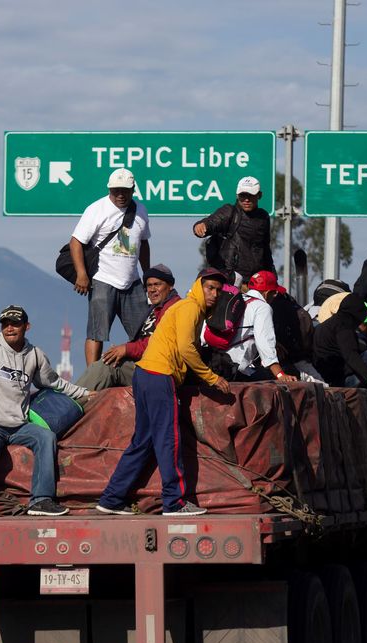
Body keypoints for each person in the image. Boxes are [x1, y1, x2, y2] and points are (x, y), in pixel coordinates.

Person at [97, 269, 232, 517]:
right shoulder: (190, 308)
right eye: (209, 288)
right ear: (198, 286)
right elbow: (186, 348)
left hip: (144, 374)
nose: (214, 293)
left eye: (218, 290)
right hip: (159, 376)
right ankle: (174, 502)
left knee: (143, 441)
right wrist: (212, 378)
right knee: (169, 439)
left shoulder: (187, 309)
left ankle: (111, 498)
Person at [0, 305, 91, 517]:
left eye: (15, 323)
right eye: (5, 324)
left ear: (26, 326)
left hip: (18, 425)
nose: (9, 328)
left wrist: (85, 393)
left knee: (46, 437)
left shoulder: (35, 355)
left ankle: (40, 501)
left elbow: (53, 382)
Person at [70, 168, 151, 366]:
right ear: (109, 189)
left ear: (133, 190)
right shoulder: (97, 209)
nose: (120, 195)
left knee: (144, 332)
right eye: (116, 191)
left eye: (125, 190)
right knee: (97, 332)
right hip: (103, 279)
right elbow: (76, 242)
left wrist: (147, 275)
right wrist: (81, 274)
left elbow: (144, 243)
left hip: (132, 281)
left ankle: (144, 372)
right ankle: (93, 378)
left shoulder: (140, 210)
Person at [76, 265, 180, 391]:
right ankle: (73, 398)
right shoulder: (154, 308)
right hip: (147, 364)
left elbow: (159, 344)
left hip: (160, 369)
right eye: (149, 285)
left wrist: (126, 349)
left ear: (170, 286)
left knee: (109, 366)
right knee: (108, 360)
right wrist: (122, 351)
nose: (152, 289)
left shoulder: (174, 309)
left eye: (157, 284)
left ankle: (69, 402)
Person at [211, 270, 298, 383]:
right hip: (234, 369)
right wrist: (280, 374)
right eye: (274, 293)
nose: (274, 297)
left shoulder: (235, 300)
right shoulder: (262, 307)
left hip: (214, 363)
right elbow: (264, 343)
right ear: (267, 293)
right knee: (284, 375)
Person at [193, 176, 273, 285]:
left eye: (251, 195)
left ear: (259, 195)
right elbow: (213, 222)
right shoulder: (229, 212)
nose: (246, 199)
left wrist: (272, 276)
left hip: (255, 283)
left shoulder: (263, 217)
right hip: (229, 280)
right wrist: (202, 226)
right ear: (237, 195)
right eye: (242, 195)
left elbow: (266, 250)